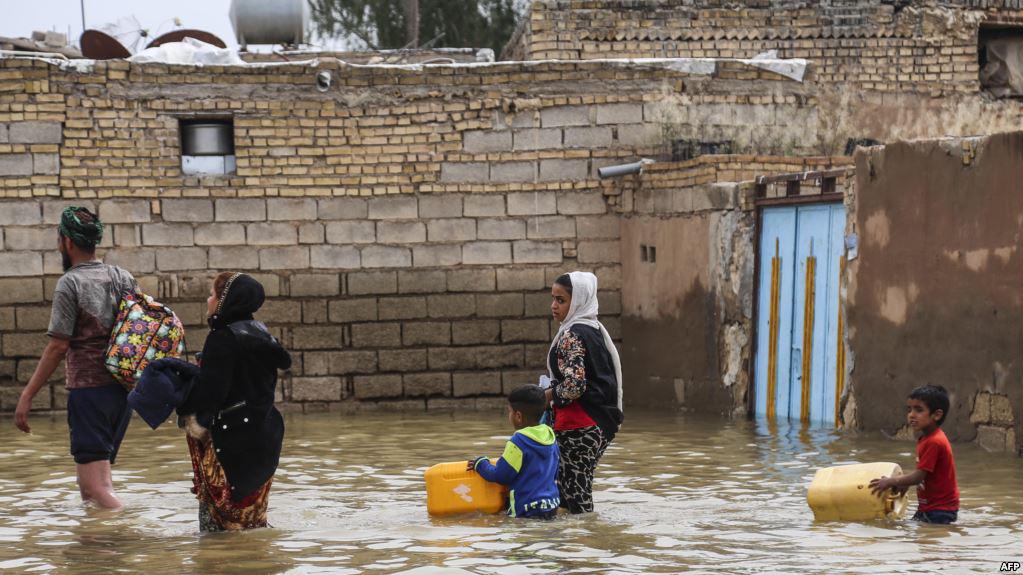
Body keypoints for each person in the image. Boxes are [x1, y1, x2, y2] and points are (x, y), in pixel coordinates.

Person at [14, 206, 137, 510]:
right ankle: (99, 549)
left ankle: (128, 530)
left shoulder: (70, 283)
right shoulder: (123, 277)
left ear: (66, 242)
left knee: (93, 487)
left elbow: (58, 346)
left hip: (89, 392)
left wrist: (27, 394)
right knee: (97, 486)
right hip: (122, 392)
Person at [174, 272, 291, 531]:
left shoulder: (223, 338)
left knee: (220, 531)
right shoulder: (262, 333)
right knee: (253, 522)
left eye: (213, 294)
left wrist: (187, 408)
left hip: (232, 442)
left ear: (226, 300)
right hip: (265, 437)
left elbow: (212, 394)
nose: (208, 300)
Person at [544, 271, 623, 514]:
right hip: (599, 421)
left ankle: (583, 544)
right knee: (573, 491)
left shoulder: (572, 335)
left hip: (579, 425)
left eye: (561, 300)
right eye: (553, 299)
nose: (554, 306)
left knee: (575, 497)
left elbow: (575, 385)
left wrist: (545, 396)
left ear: (577, 301)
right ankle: (582, 544)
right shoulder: (593, 330)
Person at [869, 385, 959, 524]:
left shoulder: (934, 441)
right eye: (909, 409)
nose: (911, 415)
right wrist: (905, 483)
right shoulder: (926, 438)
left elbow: (918, 477)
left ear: (937, 415)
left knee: (925, 542)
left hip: (940, 511)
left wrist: (890, 481)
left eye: (919, 410)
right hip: (930, 507)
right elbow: (925, 473)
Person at [469, 385, 560, 519]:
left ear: (518, 416)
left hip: (526, 510)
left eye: (509, 411)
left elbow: (501, 476)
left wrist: (480, 464)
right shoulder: (550, 435)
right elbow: (555, 472)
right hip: (552, 505)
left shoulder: (518, 441)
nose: (509, 415)